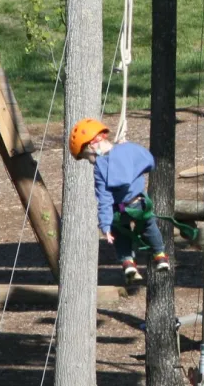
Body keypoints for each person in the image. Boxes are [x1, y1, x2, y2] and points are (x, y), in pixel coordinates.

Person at [70, 117, 177, 284]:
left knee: (119, 232)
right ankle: (160, 255)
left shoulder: (100, 165)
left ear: (91, 146)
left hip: (121, 210)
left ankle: (127, 262)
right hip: (140, 205)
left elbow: (104, 198)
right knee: (149, 226)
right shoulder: (128, 150)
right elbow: (150, 162)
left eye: (86, 157)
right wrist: (127, 147)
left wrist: (105, 225)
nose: (89, 161)